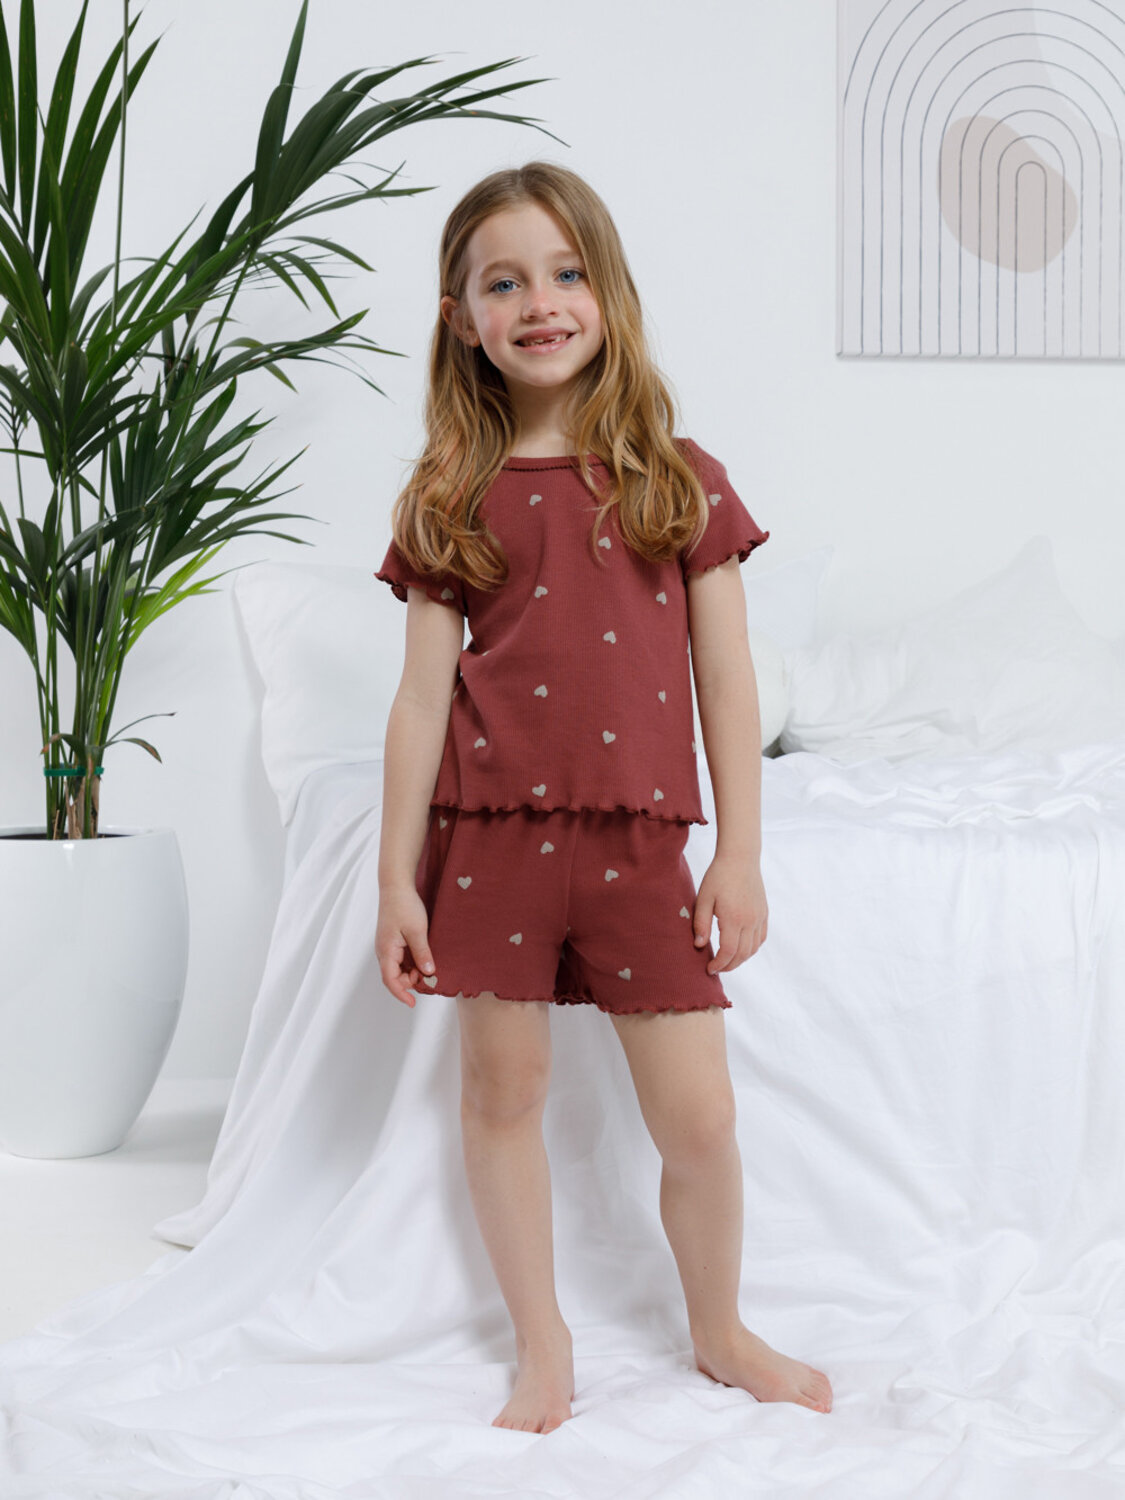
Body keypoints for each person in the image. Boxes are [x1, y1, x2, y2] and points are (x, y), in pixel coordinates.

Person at [373, 160, 833, 1434]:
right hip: (490, 843)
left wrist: (740, 853)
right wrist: (394, 878)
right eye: (504, 282)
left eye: (566, 273)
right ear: (462, 318)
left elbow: (726, 679)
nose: (540, 302)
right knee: (501, 1095)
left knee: (702, 1118)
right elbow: (418, 701)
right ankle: (543, 1343)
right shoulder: (448, 494)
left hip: (639, 844)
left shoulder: (678, 478)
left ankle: (719, 1329)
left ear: (609, 293)